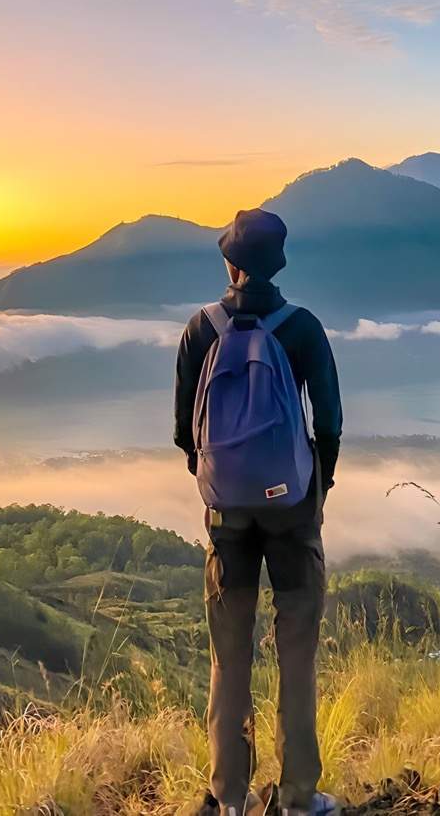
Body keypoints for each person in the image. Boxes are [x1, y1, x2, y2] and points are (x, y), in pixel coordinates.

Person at [174, 208, 344, 816]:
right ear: (280, 264)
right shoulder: (303, 329)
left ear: (231, 264)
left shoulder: (201, 329)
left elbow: (184, 432)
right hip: (292, 509)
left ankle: (229, 797)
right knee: (296, 653)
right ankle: (297, 798)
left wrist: (221, 482)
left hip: (227, 517)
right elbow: (329, 422)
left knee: (230, 656)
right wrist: (315, 488)